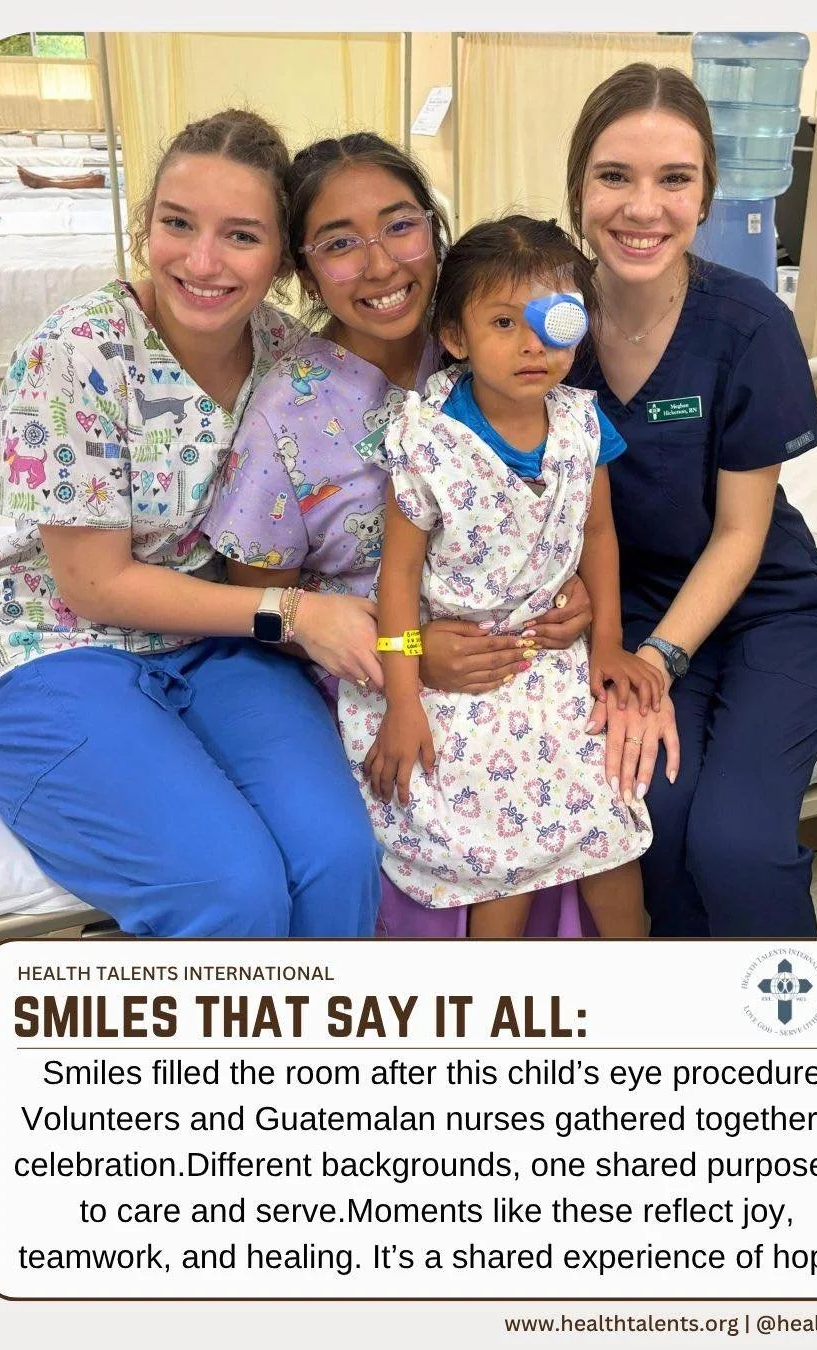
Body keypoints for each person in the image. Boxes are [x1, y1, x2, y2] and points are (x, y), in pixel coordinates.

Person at [0, 109, 382, 940]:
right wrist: (293, 613)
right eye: (177, 224)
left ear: (283, 257)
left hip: (217, 646)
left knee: (339, 859)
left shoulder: (291, 360)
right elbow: (95, 585)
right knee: (232, 890)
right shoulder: (76, 354)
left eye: (241, 236)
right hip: (55, 647)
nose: (202, 261)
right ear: (145, 225)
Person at [202, 133, 598, 938]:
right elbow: (260, 604)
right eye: (340, 244)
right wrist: (411, 651)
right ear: (304, 270)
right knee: (447, 793)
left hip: (512, 650)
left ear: (435, 232)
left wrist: (574, 584)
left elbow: (561, 489)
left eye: (400, 225)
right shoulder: (290, 409)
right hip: (366, 668)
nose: (380, 265)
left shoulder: (492, 348)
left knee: (584, 781)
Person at [564, 64, 817, 938]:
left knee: (737, 841)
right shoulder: (548, 327)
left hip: (767, 606)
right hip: (632, 609)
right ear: (578, 183)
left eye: (675, 179)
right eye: (615, 175)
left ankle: (799, 1041)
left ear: (705, 197)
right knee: (649, 824)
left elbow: (741, 533)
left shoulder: (745, 325)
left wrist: (656, 661)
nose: (642, 207)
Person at [343, 216, 659, 936]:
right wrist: (403, 696)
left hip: (553, 660)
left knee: (609, 815)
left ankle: (641, 974)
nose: (533, 344)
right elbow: (396, 583)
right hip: (460, 668)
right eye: (504, 322)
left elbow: (599, 535)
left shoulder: (581, 426)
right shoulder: (427, 443)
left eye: (553, 321)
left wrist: (607, 642)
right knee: (500, 844)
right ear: (456, 338)